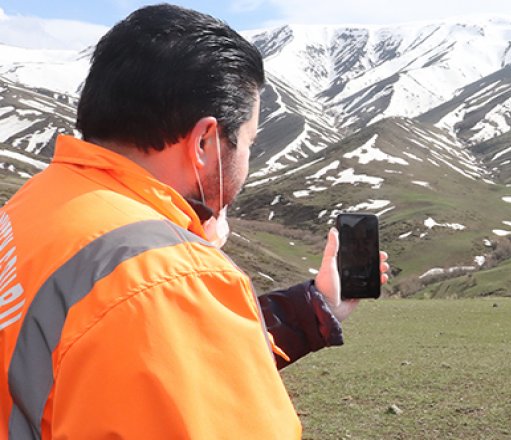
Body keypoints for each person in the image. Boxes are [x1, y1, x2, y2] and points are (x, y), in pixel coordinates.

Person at [0, 5, 388, 439]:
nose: (247, 160)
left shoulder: (38, 200)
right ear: (205, 141)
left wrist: (315, 307)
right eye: (249, 143)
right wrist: (186, 263)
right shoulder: (166, 279)